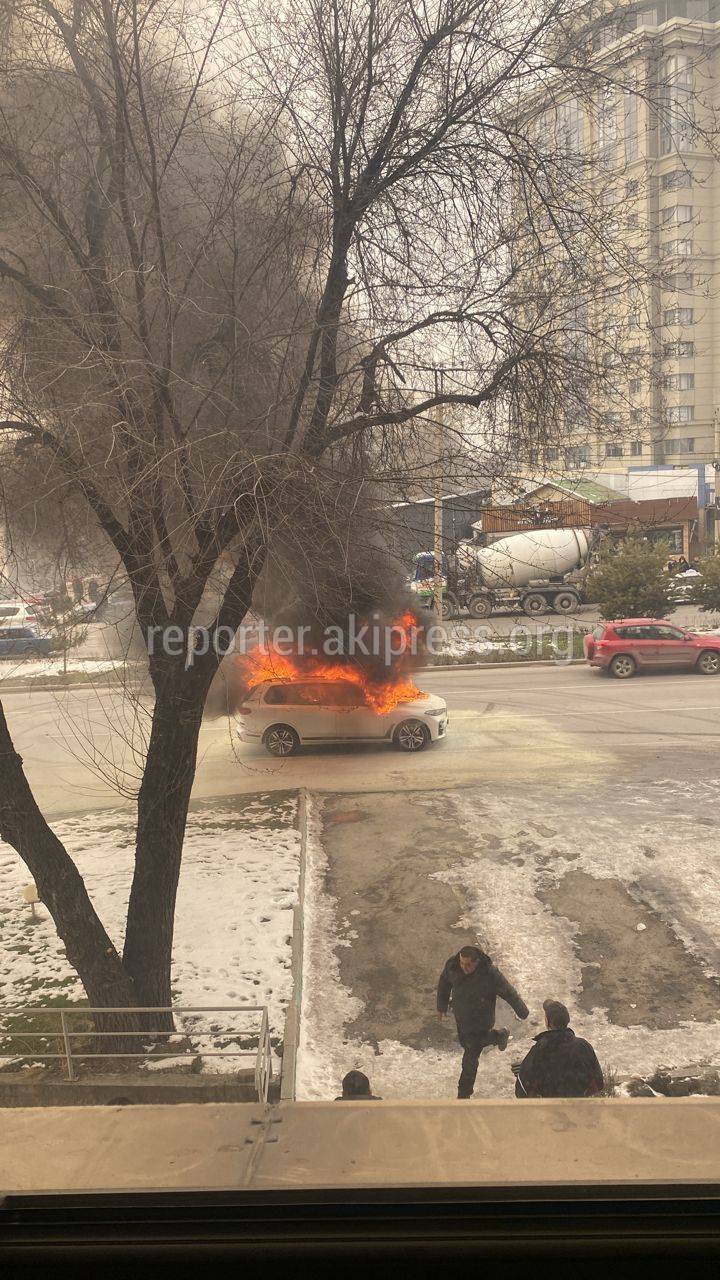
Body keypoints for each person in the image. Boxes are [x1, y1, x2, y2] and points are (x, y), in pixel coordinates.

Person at [436, 944, 529, 1099]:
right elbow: (444, 982)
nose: (463, 967)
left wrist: (522, 1011)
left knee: (470, 1057)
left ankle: (463, 1095)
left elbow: (508, 992)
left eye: (468, 965)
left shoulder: (490, 974)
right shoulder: (453, 966)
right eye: (462, 963)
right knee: (466, 1043)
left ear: (477, 962)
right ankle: (499, 1036)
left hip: (481, 1020)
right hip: (462, 1016)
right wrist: (441, 1005)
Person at [512, 999, 603, 1098]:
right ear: (567, 1020)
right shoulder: (583, 1047)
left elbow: (522, 1091)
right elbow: (598, 1083)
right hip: (577, 1110)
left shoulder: (539, 1050)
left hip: (549, 1110)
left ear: (548, 1022)